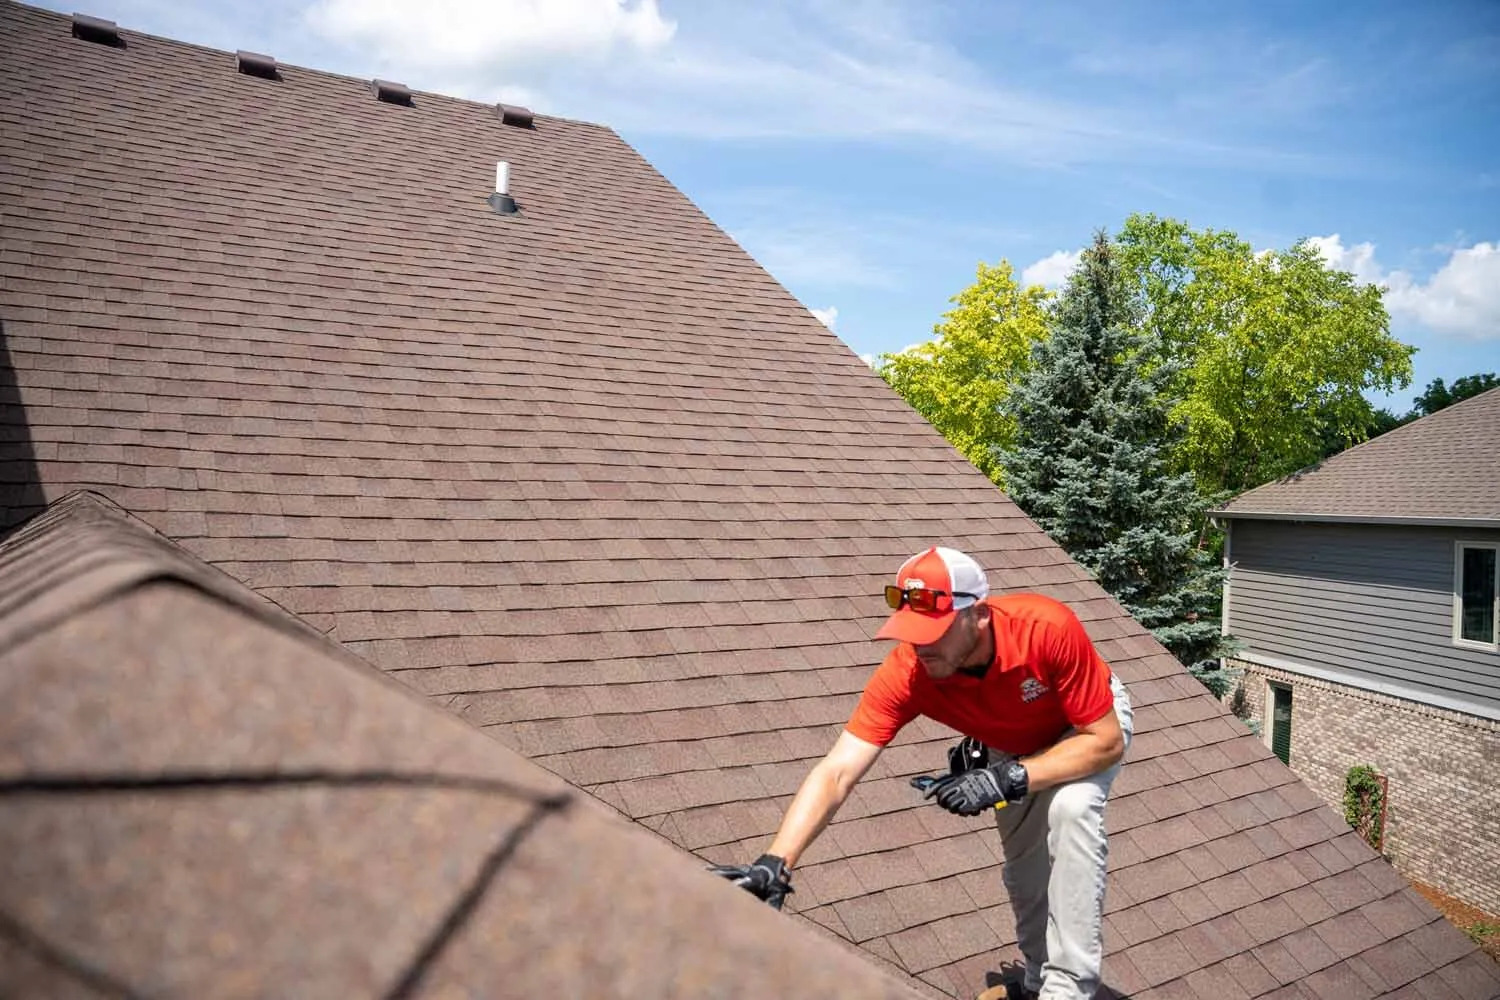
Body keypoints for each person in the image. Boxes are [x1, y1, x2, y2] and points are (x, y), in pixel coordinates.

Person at [712, 547, 1134, 1000]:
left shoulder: (1045, 630)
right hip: (1010, 748)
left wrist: (1005, 779)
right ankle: (1036, 984)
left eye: (934, 631)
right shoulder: (911, 672)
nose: (921, 645)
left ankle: (1068, 991)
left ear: (979, 615)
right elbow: (837, 771)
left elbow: (1104, 741)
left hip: (1084, 726)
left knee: (1072, 810)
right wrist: (777, 862)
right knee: (1025, 872)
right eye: (911, 632)